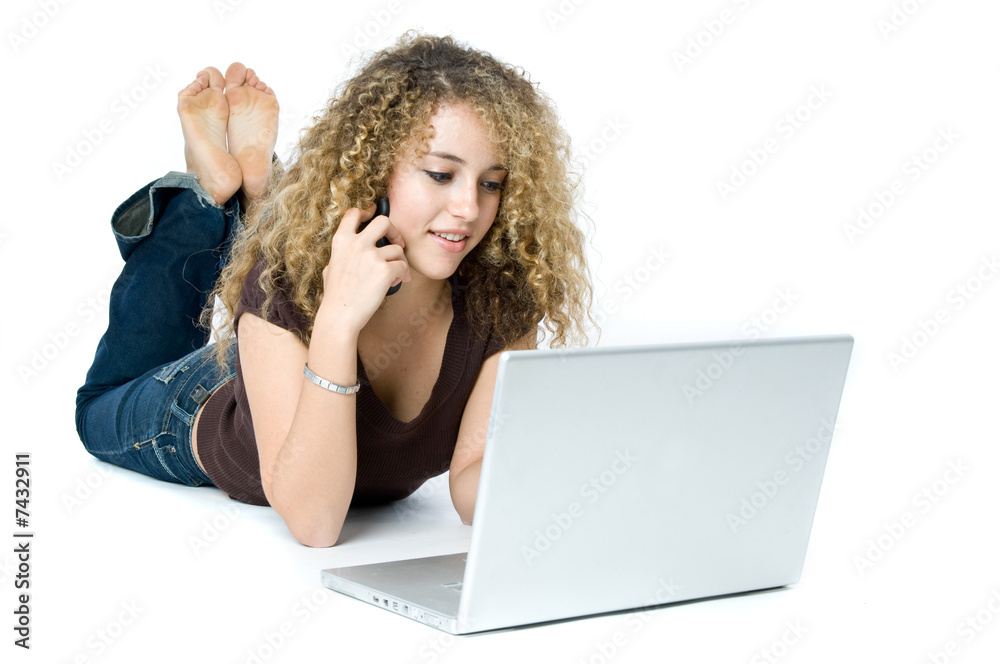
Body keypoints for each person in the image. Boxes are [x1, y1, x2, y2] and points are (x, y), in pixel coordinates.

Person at [75, 32, 593, 547]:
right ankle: (206, 197)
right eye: (440, 175)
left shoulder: (502, 297)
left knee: (276, 273)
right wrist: (339, 321)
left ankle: (264, 197)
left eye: (491, 183)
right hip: (201, 401)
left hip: (278, 358)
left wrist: (574, 472)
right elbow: (316, 524)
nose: (469, 208)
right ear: (374, 173)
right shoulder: (285, 282)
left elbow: (472, 485)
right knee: (98, 408)